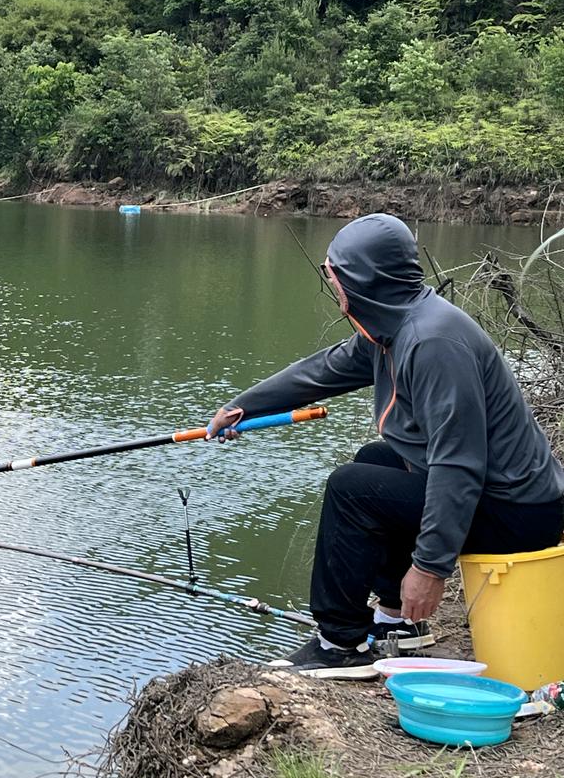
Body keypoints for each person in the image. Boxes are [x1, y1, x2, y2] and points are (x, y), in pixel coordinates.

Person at [208, 213, 564, 679]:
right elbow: (323, 370)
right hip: (498, 498)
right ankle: (397, 622)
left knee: (352, 487)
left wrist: (429, 567)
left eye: (333, 272)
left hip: (518, 512)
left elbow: (458, 464)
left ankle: (338, 642)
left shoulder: (433, 341)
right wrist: (243, 407)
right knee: (375, 461)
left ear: (361, 279)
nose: (330, 282)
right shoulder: (393, 326)